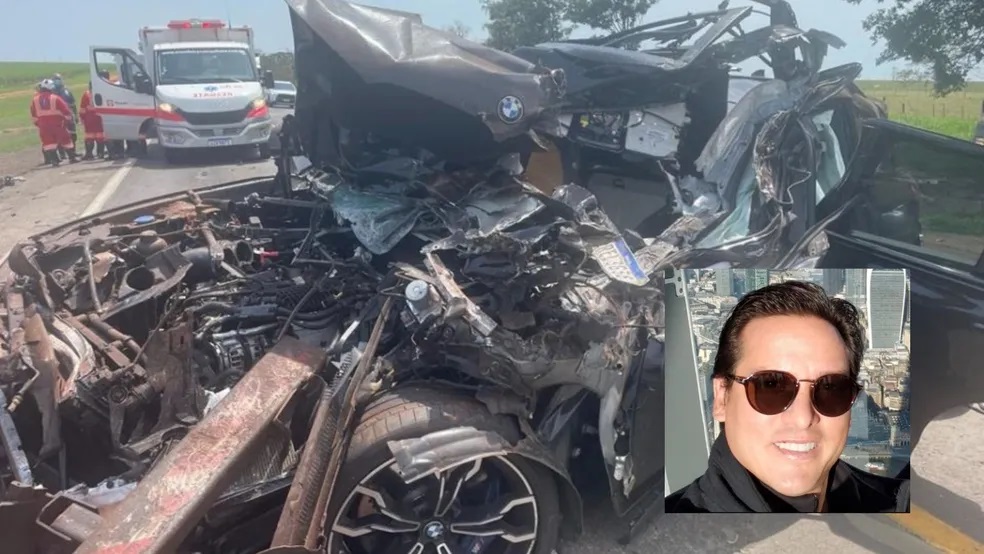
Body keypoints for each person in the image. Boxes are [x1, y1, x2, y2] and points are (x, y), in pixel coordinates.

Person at [665, 280, 909, 513]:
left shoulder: (900, 505)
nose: (803, 417)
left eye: (831, 388)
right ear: (722, 398)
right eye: (770, 385)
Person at [30, 79, 78, 166]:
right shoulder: (55, 98)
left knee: (48, 143)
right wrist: (67, 121)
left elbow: (33, 114)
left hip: (44, 126)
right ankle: (72, 158)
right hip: (58, 125)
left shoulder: (35, 100)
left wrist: (39, 124)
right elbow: (66, 111)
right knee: (66, 140)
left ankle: (54, 161)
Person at [52, 73, 79, 159]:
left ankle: (73, 151)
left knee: (73, 135)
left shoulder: (67, 90)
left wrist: (76, 115)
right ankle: (62, 154)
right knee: (60, 136)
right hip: (59, 118)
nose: (58, 81)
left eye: (59, 79)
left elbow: (73, 104)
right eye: (55, 79)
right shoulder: (52, 92)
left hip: (69, 115)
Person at [79, 82, 106, 160]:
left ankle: (89, 154)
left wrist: (82, 118)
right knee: (100, 136)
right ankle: (100, 153)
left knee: (89, 137)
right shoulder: (101, 93)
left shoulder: (86, 94)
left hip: (89, 119)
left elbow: (82, 108)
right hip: (99, 117)